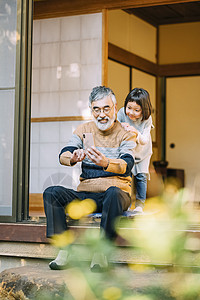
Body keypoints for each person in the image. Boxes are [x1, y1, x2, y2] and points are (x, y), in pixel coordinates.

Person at [43, 86, 137, 271]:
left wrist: (105, 162)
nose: (101, 114)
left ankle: (100, 251)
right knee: (51, 193)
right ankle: (64, 249)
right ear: (91, 109)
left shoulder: (126, 133)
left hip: (116, 194)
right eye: (96, 109)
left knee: (113, 193)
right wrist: (72, 157)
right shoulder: (84, 129)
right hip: (87, 194)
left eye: (106, 108)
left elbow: (127, 164)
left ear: (114, 107)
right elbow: (63, 154)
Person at [117, 87, 153, 214]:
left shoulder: (147, 119)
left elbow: (144, 140)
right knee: (125, 176)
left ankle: (139, 206)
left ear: (144, 109)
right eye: (129, 108)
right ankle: (125, 203)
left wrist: (135, 132)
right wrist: (121, 127)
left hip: (143, 152)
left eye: (136, 110)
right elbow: (114, 129)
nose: (131, 112)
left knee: (141, 176)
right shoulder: (121, 113)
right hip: (128, 151)